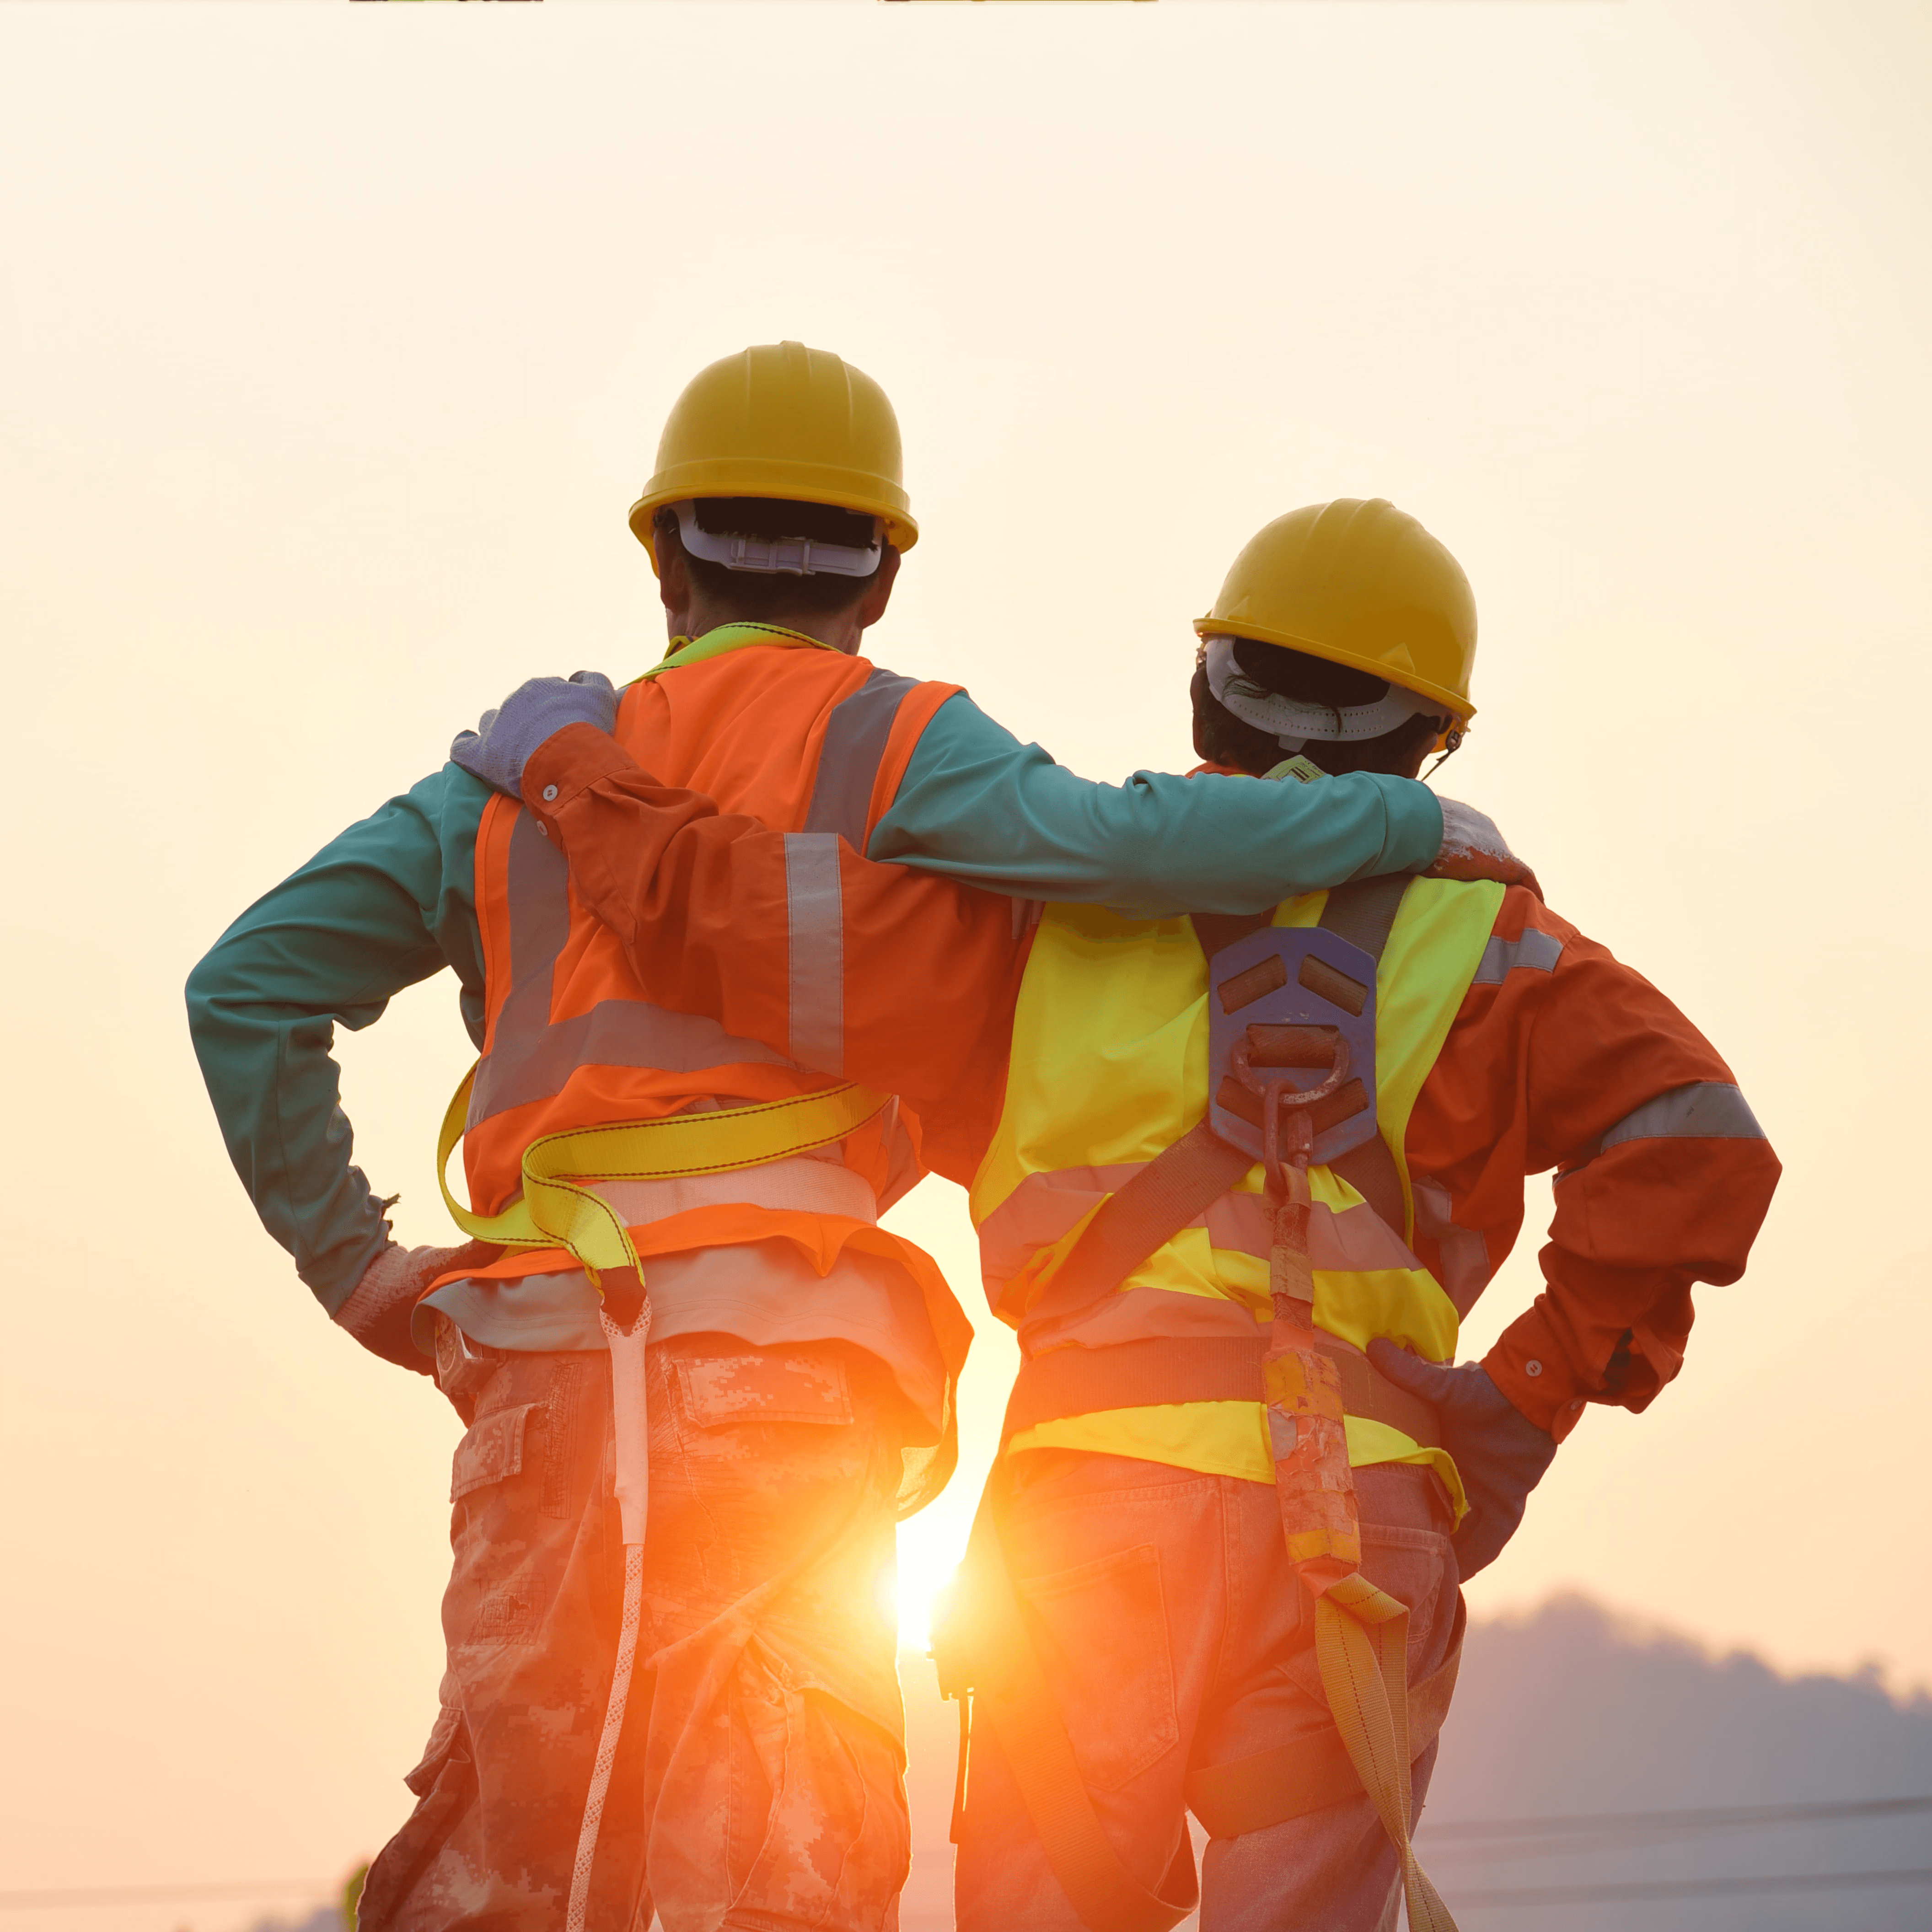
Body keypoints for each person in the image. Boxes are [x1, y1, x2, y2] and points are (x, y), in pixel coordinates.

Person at [186, 338, 1525, 1932]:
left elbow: (246, 988)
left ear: (665, 556)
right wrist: (1402, 818)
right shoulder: (899, 746)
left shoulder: (510, 786)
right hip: (786, 1388)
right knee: (787, 1883)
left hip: (541, 1376)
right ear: (879, 577)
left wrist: (361, 1271)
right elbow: (1129, 844)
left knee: (516, 1876)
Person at [452, 496, 1780, 1932]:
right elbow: (1702, 1147)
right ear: (1428, 741)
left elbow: (730, 917)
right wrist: (1520, 1406)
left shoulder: (1037, 919)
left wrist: (576, 765)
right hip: (1359, 1536)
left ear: (1209, 689)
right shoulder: (1506, 946)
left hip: (1085, 1527)